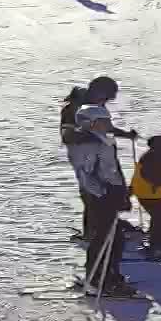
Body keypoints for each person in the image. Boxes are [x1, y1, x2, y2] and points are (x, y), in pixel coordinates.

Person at [67, 89, 137, 297]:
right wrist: (105, 193)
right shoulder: (87, 143)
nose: (108, 124)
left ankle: (108, 276)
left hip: (109, 194)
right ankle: (100, 279)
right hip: (99, 197)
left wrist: (121, 191)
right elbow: (86, 176)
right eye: (103, 121)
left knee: (114, 238)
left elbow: (111, 169)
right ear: (89, 122)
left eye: (107, 120)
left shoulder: (102, 139)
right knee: (106, 238)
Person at [61, 76, 134, 235]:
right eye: (106, 96)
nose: (107, 101)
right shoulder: (73, 109)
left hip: (103, 156)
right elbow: (67, 136)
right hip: (85, 157)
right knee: (92, 192)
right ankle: (93, 230)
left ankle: (110, 223)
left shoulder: (97, 105)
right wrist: (90, 136)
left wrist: (124, 134)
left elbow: (105, 128)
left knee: (112, 190)